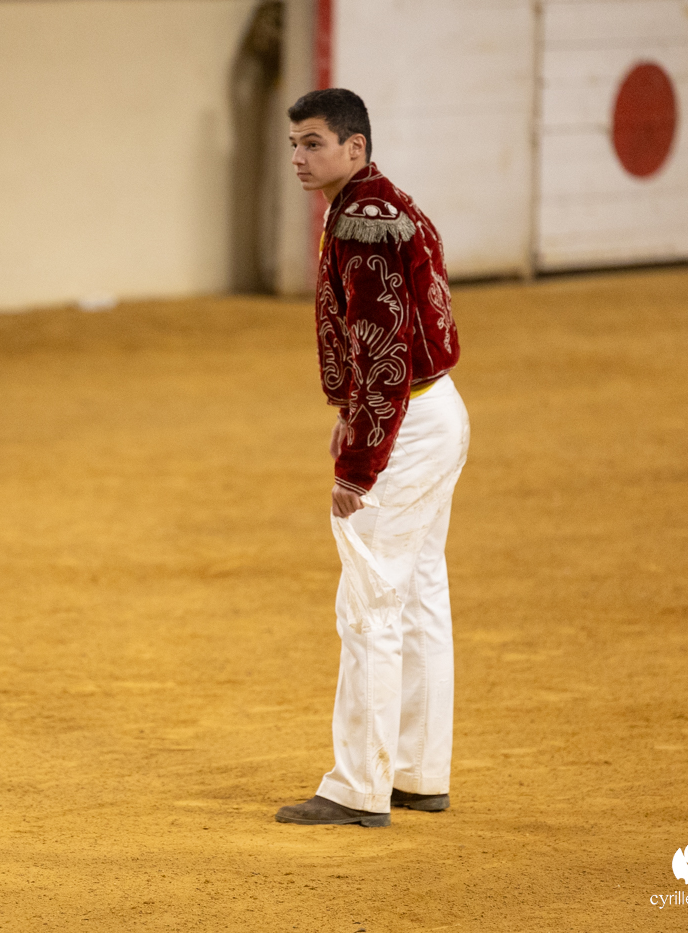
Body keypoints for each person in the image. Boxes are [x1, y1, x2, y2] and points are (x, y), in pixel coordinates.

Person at [275, 89, 469, 828]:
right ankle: (419, 771)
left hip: (406, 421)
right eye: (294, 143)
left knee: (369, 605)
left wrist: (357, 464)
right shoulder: (386, 205)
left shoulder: (360, 223)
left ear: (355, 148)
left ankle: (359, 786)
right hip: (436, 409)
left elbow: (382, 357)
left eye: (315, 143)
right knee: (418, 596)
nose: (300, 157)